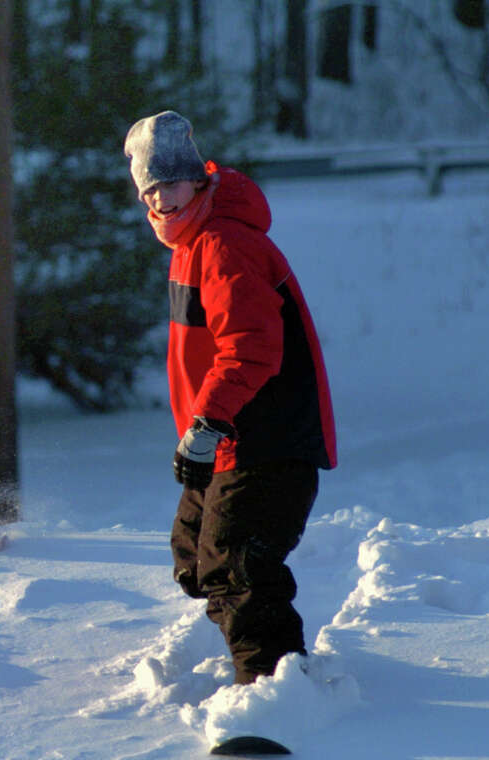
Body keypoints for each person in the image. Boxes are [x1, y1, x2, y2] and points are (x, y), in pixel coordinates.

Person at [124, 111, 337, 685]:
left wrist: (209, 422)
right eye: (150, 189)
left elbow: (251, 349)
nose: (162, 201)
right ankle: (262, 658)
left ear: (196, 179)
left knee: (235, 560)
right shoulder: (191, 241)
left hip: (266, 439)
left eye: (170, 184)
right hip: (225, 440)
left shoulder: (222, 243)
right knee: (195, 558)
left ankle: (274, 683)